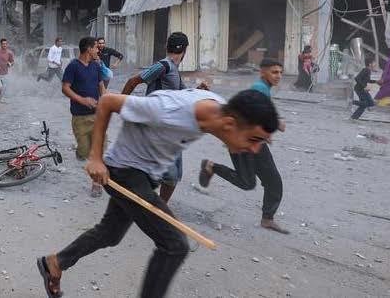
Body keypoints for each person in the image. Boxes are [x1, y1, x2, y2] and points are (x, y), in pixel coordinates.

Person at [36, 89, 279, 298]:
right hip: (124, 172)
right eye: (254, 139)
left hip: (145, 174)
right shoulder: (169, 110)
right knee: (175, 245)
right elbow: (108, 101)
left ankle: (55, 263)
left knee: (110, 233)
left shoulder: (218, 108)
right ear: (229, 124)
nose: (255, 149)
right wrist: (96, 158)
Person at [198, 58, 289, 234]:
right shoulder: (259, 89)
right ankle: (211, 166)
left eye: (280, 72)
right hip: (242, 143)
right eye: (274, 72)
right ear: (263, 72)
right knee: (247, 182)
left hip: (256, 142)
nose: (278, 76)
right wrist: (276, 123)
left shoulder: (264, 89)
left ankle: (267, 219)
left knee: (273, 181)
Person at [121, 32, 191, 203]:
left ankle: (158, 207)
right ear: (185, 50)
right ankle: (140, 202)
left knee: (174, 175)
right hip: (156, 127)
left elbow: (184, 94)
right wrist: (120, 105)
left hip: (171, 128)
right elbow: (132, 81)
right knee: (169, 173)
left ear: (167, 46)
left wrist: (201, 91)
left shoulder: (174, 69)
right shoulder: (162, 65)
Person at [62, 36, 107, 197]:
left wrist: (105, 102)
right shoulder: (73, 66)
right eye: (95, 47)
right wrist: (82, 100)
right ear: (88, 49)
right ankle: (80, 152)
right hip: (80, 117)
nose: (98, 50)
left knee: (98, 152)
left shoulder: (96, 66)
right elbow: (65, 88)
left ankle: (96, 183)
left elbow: (101, 85)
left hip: (97, 116)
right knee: (84, 151)